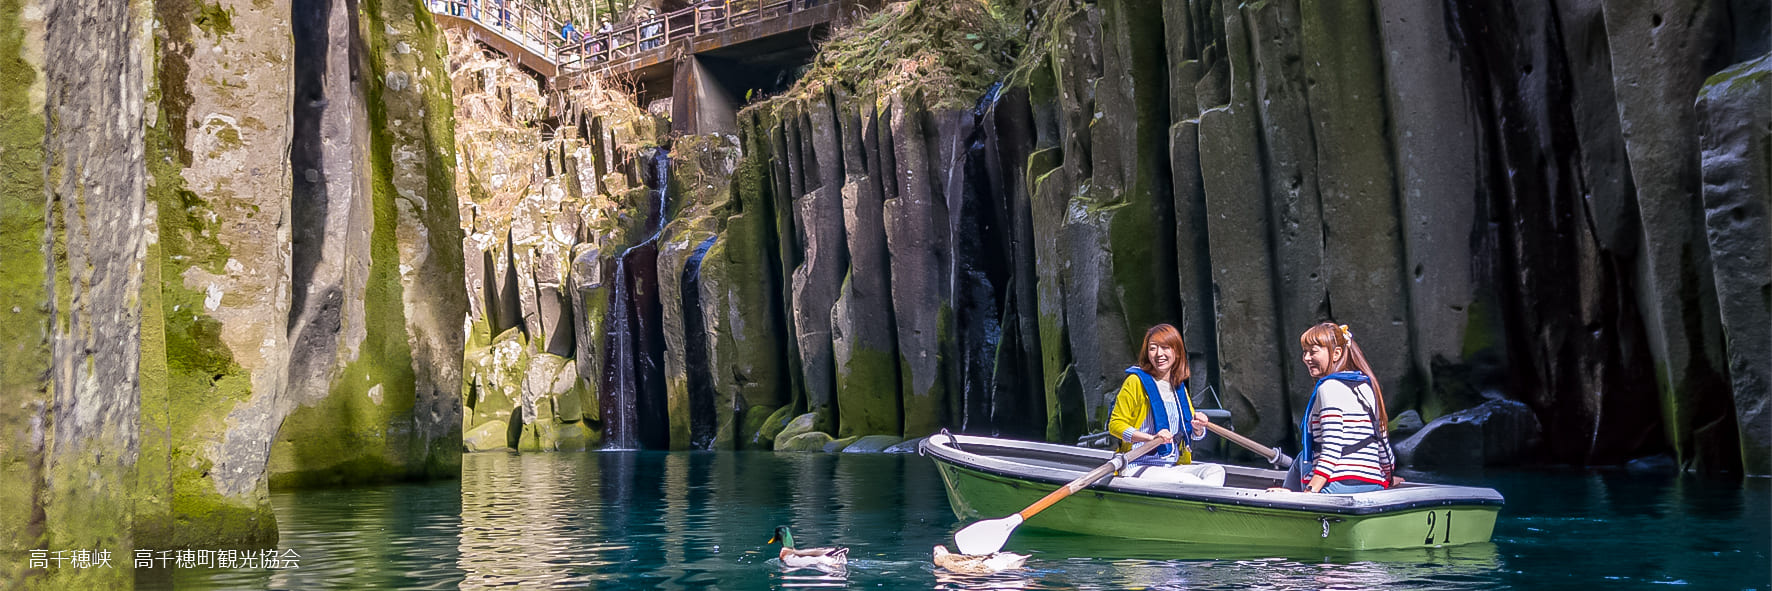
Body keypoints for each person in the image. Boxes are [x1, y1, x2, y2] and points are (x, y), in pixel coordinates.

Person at [1272, 322, 1397, 494]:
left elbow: (1332, 450)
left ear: (1336, 353)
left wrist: (1308, 493)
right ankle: (1287, 493)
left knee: (1304, 459)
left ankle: (1287, 499)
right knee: (1302, 457)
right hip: (1374, 484)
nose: (1306, 358)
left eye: (1313, 352)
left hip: (1338, 486)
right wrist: (1388, 480)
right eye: (1304, 352)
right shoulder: (1367, 386)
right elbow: (1382, 444)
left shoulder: (1328, 388)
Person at [1106, 324, 1225, 486]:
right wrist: (1151, 438)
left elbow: (1190, 432)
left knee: (1215, 471)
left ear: (1176, 352)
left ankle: (1203, 506)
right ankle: (1203, 506)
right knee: (1190, 482)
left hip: (1171, 466)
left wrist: (1198, 427)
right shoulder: (1135, 382)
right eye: (1153, 348)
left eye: (1165, 348)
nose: (1158, 354)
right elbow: (1115, 425)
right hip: (1139, 464)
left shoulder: (1178, 386)